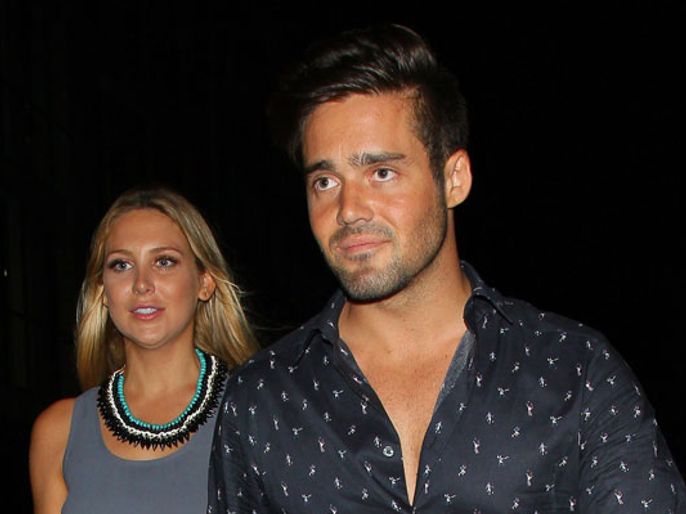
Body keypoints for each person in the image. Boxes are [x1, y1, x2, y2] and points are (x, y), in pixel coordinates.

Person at [208, 24, 686, 513]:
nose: (348, 209)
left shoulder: (573, 371)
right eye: (325, 181)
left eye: (381, 173)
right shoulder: (263, 398)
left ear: (454, 178)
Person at [29, 188, 258, 514]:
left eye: (164, 262)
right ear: (103, 291)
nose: (141, 284)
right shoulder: (59, 432)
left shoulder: (254, 410)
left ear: (204, 282)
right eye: (121, 265)